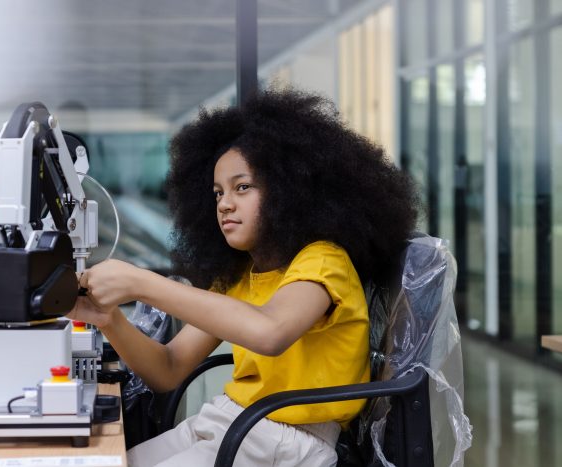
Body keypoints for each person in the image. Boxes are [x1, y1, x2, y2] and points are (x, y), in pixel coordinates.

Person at [70, 88, 419, 466]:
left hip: (286, 442)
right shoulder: (238, 276)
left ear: (291, 190)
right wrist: (107, 319)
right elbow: (168, 370)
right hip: (228, 419)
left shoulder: (323, 261)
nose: (224, 203)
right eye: (218, 192)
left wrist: (141, 283)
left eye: (243, 187)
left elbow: (269, 333)